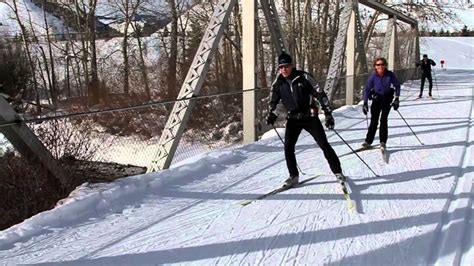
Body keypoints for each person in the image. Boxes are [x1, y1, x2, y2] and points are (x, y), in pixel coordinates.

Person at [266, 52, 345, 187]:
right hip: (293, 118)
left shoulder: (304, 77)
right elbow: (274, 101)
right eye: (281, 67)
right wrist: (272, 114)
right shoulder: (278, 83)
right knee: (288, 148)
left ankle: (338, 172)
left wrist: (328, 113)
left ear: (292, 66)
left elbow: (320, 94)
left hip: (309, 116)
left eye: (286, 66)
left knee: (324, 145)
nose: (284, 69)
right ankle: (293, 176)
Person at [361, 57, 401, 150]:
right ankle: (368, 141)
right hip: (376, 99)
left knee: (383, 120)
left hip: (387, 99)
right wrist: (365, 102)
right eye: (378, 65)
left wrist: (397, 99)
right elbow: (367, 89)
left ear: (385, 65)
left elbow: (397, 86)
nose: (380, 66)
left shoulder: (390, 75)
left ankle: (383, 142)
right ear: (375, 66)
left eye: (382, 64)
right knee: (374, 121)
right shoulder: (373, 77)